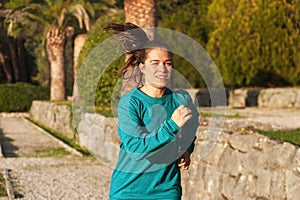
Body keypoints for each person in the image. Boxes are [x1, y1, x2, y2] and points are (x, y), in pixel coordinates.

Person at [104, 23, 199, 200]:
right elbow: (135, 148)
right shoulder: (130, 102)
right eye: (154, 63)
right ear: (142, 67)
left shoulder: (181, 99)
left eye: (167, 63)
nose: (162, 69)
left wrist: (186, 148)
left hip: (167, 190)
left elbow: (192, 125)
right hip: (128, 191)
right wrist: (171, 126)